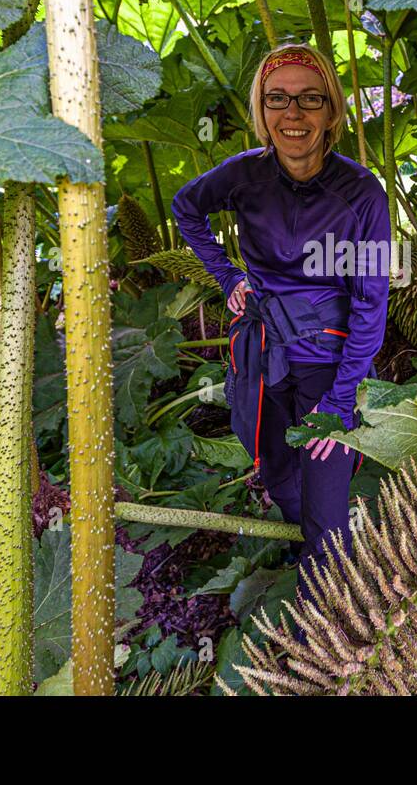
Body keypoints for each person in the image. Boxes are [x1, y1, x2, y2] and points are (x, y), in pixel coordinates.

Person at [170, 42, 391, 605]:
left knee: (325, 509)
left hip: (329, 358)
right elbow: (185, 208)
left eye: (309, 98)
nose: (293, 114)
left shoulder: (361, 193)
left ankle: (328, 626)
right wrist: (226, 277)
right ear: (261, 110)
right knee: (274, 474)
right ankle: (312, 550)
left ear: (332, 111)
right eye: (278, 99)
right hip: (263, 351)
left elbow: (371, 302)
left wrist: (341, 401)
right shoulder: (244, 176)